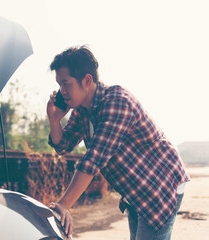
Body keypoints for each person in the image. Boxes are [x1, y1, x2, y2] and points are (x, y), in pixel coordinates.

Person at [47, 45, 190, 240]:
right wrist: (55, 120)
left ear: (87, 80)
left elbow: (92, 161)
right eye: (59, 84)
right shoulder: (82, 110)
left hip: (159, 185)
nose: (61, 91)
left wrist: (64, 205)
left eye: (66, 84)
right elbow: (63, 145)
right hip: (136, 190)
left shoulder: (117, 103)